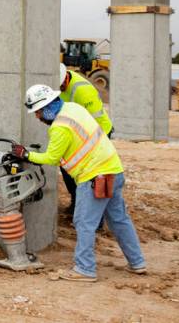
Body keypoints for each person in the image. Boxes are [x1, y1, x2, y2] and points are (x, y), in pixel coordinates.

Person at [12, 84, 146, 282]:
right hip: (113, 170)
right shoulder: (73, 108)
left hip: (94, 177)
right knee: (119, 219)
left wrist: (26, 154)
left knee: (84, 222)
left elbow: (51, 158)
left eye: (38, 112)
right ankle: (137, 262)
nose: (38, 118)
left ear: (47, 107)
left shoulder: (59, 127)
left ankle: (85, 268)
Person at [59, 63, 114, 213]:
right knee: (67, 167)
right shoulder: (57, 86)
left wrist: (86, 146)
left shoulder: (83, 90)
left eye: (61, 86)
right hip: (78, 131)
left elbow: (94, 121)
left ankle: (95, 213)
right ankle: (77, 201)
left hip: (98, 132)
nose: (60, 89)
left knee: (91, 172)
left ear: (66, 78)